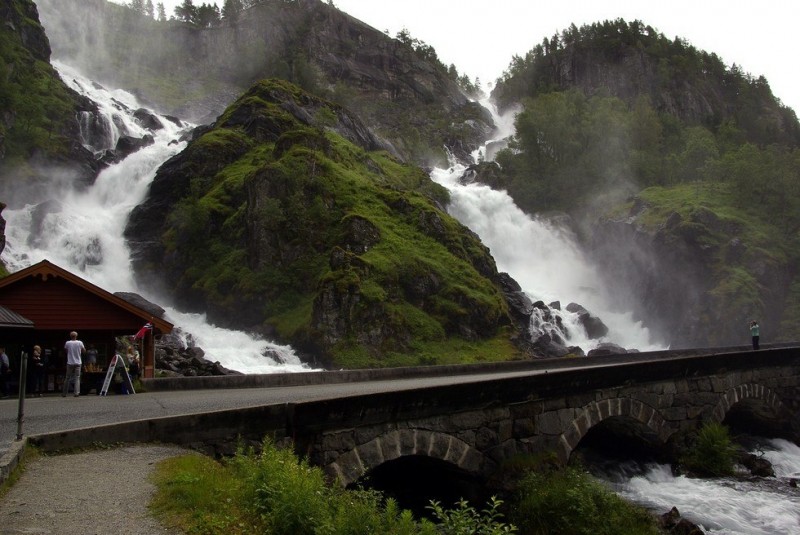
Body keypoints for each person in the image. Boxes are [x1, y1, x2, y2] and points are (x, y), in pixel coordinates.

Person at [63, 331, 86, 397]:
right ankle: (76, 393)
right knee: (77, 378)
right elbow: (84, 351)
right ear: (76, 336)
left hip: (70, 362)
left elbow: (66, 351)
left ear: (70, 336)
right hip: (78, 362)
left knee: (67, 377)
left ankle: (64, 393)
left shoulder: (67, 343)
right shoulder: (80, 342)